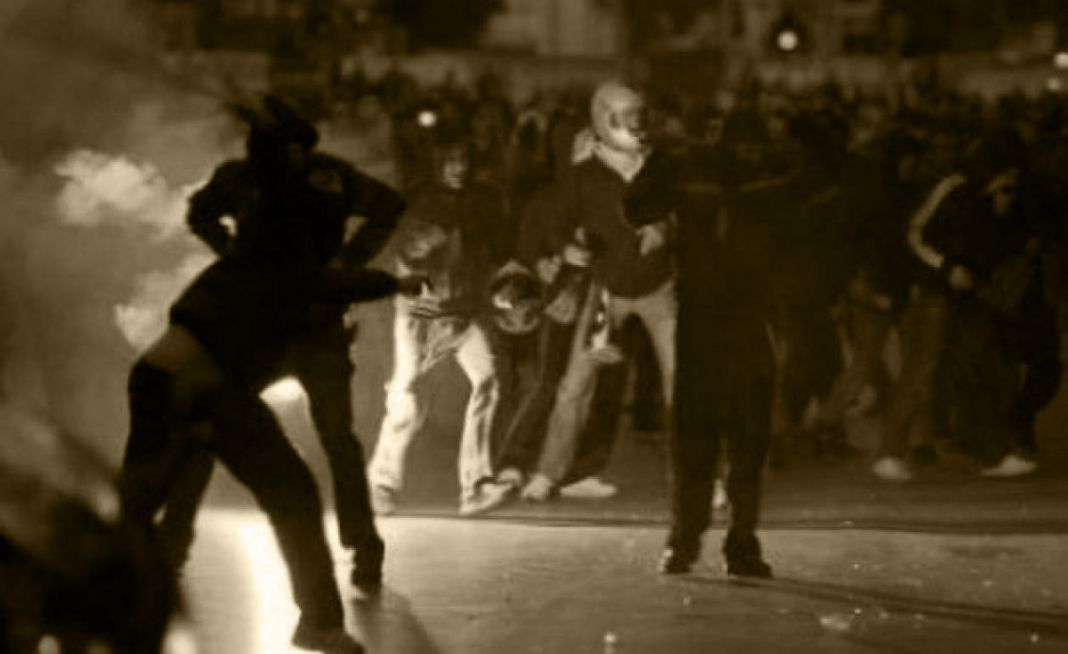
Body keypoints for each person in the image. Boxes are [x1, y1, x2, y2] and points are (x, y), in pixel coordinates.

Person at [118, 95, 409, 654]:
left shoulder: (270, 237)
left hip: (196, 385)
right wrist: (389, 282)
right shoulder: (276, 241)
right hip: (184, 386)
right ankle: (107, 604)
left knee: (281, 493)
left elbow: (321, 266)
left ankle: (317, 621)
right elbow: (317, 275)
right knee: (148, 504)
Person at [518, 81, 678, 502]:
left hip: (658, 289)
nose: (638, 126)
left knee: (681, 384)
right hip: (606, 292)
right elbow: (555, 223)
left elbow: (687, 213)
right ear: (606, 119)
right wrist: (564, 249)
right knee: (574, 387)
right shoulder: (585, 174)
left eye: (640, 116)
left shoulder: (660, 166)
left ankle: (698, 477)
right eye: (628, 117)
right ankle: (547, 472)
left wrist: (666, 229)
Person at [367, 128, 514, 517]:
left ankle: (475, 485)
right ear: (436, 164)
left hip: (465, 310)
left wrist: (498, 291)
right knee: (408, 397)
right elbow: (405, 261)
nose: (458, 168)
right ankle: (380, 482)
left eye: (463, 161)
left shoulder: (482, 200)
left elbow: (495, 252)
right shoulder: (420, 202)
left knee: (488, 380)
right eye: (450, 162)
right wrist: (427, 309)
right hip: (424, 312)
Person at [658, 151, 781, 578]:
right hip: (743, 335)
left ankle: (686, 542)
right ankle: (735, 543)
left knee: (696, 447)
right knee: (744, 448)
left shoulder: (687, 199)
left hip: (705, 336)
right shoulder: (763, 200)